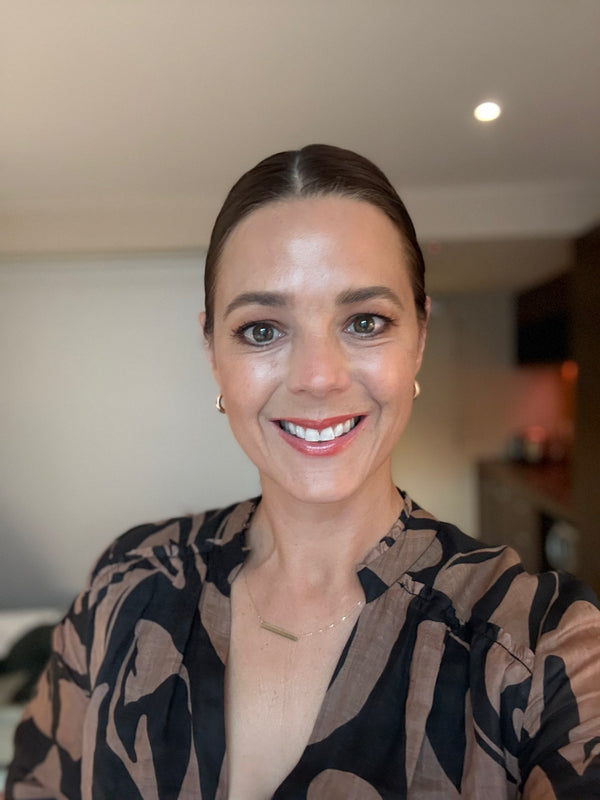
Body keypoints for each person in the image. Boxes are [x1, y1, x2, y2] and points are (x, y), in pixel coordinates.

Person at [6, 144, 600, 799]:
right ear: (212, 350)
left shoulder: (537, 649)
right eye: (262, 330)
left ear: (420, 338)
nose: (318, 377)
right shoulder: (127, 583)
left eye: (365, 322)